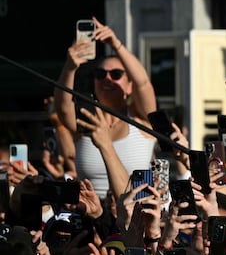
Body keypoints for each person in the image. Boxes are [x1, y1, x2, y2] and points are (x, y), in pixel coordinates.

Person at [53, 17, 158, 199]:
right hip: (93, 217)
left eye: (116, 74)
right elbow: (62, 107)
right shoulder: (86, 119)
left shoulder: (141, 120)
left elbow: (144, 84)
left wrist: (116, 44)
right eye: (100, 75)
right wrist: (70, 67)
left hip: (136, 217)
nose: (107, 79)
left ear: (129, 85)